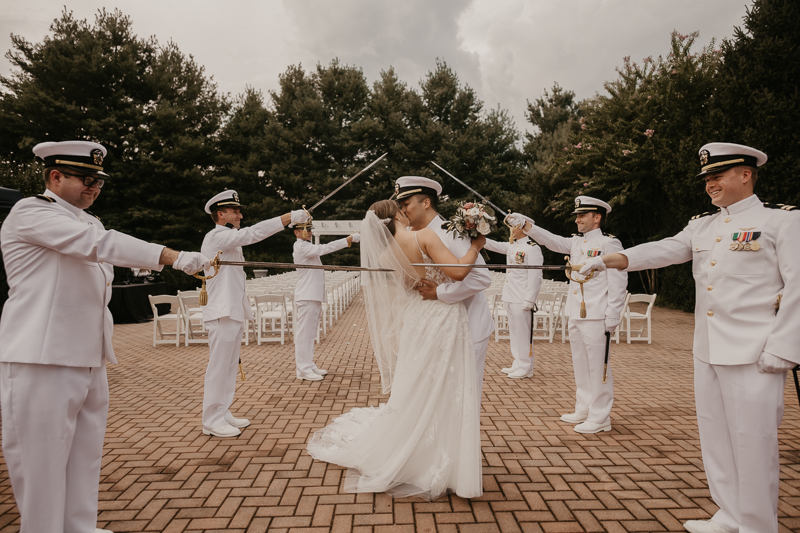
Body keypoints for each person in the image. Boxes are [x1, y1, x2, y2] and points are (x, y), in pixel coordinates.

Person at [579, 143, 799, 533]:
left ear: (746, 174)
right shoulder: (702, 225)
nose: (709, 183)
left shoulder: (782, 222)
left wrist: (784, 347)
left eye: (718, 175)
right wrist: (605, 259)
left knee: (753, 445)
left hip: (756, 355)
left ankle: (757, 526)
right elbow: (662, 250)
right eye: (706, 178)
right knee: (716, 439)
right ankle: (730, 514)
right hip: (708, 349)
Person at [0, 141, 209, 533]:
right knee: (41, 467)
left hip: (88, 355)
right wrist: (173, 255)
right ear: (55, 176)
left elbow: (100, 246)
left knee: (84, 456)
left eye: (98, 180)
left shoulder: (88, 221)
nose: (94, 186)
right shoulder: (30, 212)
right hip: (40, 358)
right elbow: (101, 246)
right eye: (85, 178)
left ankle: (79, 527)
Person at [307, 199, 487, 499]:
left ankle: (423, 450)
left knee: (419, 384)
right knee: (445, 384)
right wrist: (476, 247)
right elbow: (457, 273)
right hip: (441, 315)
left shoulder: (386, 251)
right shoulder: (424, 236)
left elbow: (407, 286)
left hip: (418, 318)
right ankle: (443, 455)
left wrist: (423, 283)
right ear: (400, 214)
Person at [507, 196, 627, 433]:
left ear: (597, 217)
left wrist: (613, 312)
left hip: (596, 313)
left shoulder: (609, 244)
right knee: (580, 364)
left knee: (598, 365)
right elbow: (551, 241)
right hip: (576, 312)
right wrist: (526, 225)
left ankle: (601, 416)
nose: (578, 219)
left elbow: (618, 279)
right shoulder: (576, 243)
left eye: (583, 215)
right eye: (577, 216)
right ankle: (584, 408)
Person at [200, 190, 309, 437]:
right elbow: (252, 234)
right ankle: (211, 420)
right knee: (219, 367)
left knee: (229, 366)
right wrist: (287, 217)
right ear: (220, 214)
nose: (240, 214)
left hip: (231, 310)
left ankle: (222, 412)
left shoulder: (227, 237)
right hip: (221, 312)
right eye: (235, 211)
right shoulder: (217, 236)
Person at [396, 176, 494, 404]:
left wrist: (439, 292)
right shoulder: (413, 236)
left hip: (468, 325)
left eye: (406, 204)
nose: (403, 211)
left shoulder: (450, 232)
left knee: (465, 393)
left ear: (426, 203)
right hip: (436, 325)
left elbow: (481, 277)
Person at [292, 219, 359, 381]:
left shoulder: (306, 246)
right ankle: (302, 369)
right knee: (304, 334)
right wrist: (348, 239)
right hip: (307, 295)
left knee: (310, 333)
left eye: (310, 229)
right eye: (306, 230)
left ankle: (308, 364)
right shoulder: (301, 246)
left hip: (312, 295)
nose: (310, 232)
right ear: (296, 232)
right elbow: (325, 248)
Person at [484, 227, 543, 378]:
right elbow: (492, 244)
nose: (511, 230)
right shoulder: (512, 246)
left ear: (523, 228)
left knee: (523, 334)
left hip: (521, 297)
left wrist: (530, 299)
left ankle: (526, 367)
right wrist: (475, 232)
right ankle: (518, 362)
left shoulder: (532, 249)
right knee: (515, 333)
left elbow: (535, 276)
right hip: (510, 295)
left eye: (514, 226)